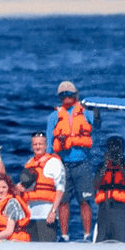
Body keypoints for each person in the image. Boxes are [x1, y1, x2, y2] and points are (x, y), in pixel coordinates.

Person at [47, 81, 100, 241]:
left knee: (85, 200)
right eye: (62, 95)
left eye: (69, 94)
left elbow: (97, 125)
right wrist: (48, 163)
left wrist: (96, 112)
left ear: (75, 95)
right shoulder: (54, 116)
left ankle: (87, 235)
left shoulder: (86, 113)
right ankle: (64, 235)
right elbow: (49, 142)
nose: (66, 97)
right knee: (63, 201)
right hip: (63, 165)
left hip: (83, 164)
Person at [92, 135, 125, 242]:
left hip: (122, 208)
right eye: (112, 149)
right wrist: (105, 166)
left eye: (118, 149)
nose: (115, 153)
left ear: (123, 150)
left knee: (123, 239)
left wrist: (121, 167)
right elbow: (95, 185)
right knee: (101, 239)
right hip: (104, 208)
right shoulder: (102, 166)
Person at [20, 132, 65, 243]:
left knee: (47, 248)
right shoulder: (29, 163)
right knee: (32, 249)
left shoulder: (54, 162)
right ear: (32, 146)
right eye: (35, 144)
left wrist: (53, 211)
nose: (37, 147)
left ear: (46, 145)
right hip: (30, 215)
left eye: (40, 144)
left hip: (46, 213)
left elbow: (60, 189)